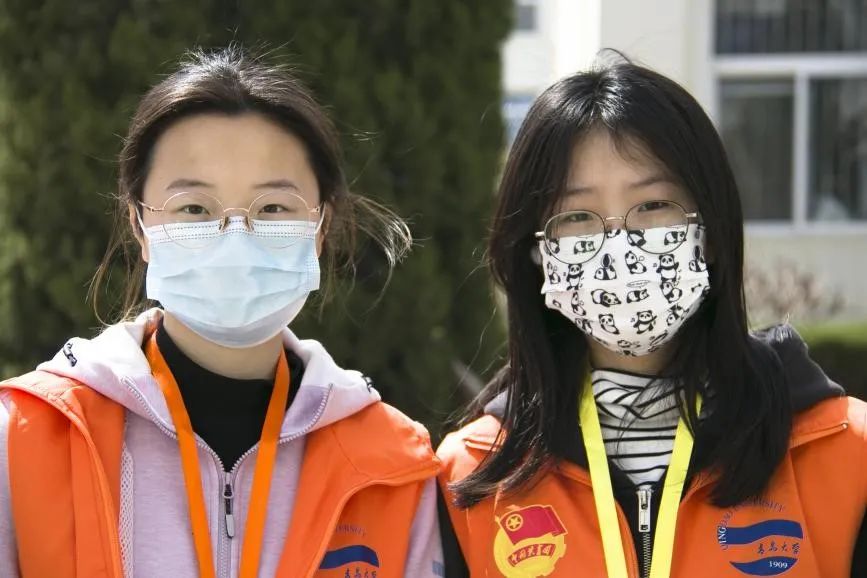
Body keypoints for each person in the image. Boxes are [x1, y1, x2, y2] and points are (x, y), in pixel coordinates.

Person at [0, 46, 442, 578]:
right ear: (140, 226)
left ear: (320, 226)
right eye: (194, 208)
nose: (235, 238)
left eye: (273, 208)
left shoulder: (394, 464)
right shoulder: (25, 437)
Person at [437, 61, 867, 577]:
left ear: (710, 230)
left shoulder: (845, 451)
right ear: (536, 253)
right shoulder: (471, 474)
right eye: (577, 216)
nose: (619, 243)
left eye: (653, 205)